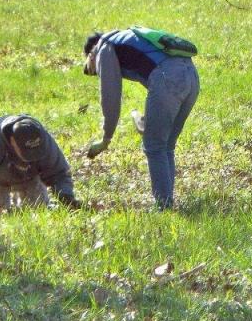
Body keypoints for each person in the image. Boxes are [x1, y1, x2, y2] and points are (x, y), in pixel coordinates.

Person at [83, 28, 200, 209]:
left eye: (93, 70)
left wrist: (106, 138)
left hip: (169, 79)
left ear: (91, 54)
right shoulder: (129, 37)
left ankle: (164, 205)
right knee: (166, 145)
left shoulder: (104, 48)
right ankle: (167, 201)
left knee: (155, 146)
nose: (95, 72)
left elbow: (110, 98)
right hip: (192, 77)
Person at [0, 114, 80, 212]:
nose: (32, 157)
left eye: (36, 152)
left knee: (40, 210)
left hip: (30, 176)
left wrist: (66, 197)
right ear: (12, 141)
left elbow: (59, 172)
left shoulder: (44, 139)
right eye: (28, 152)